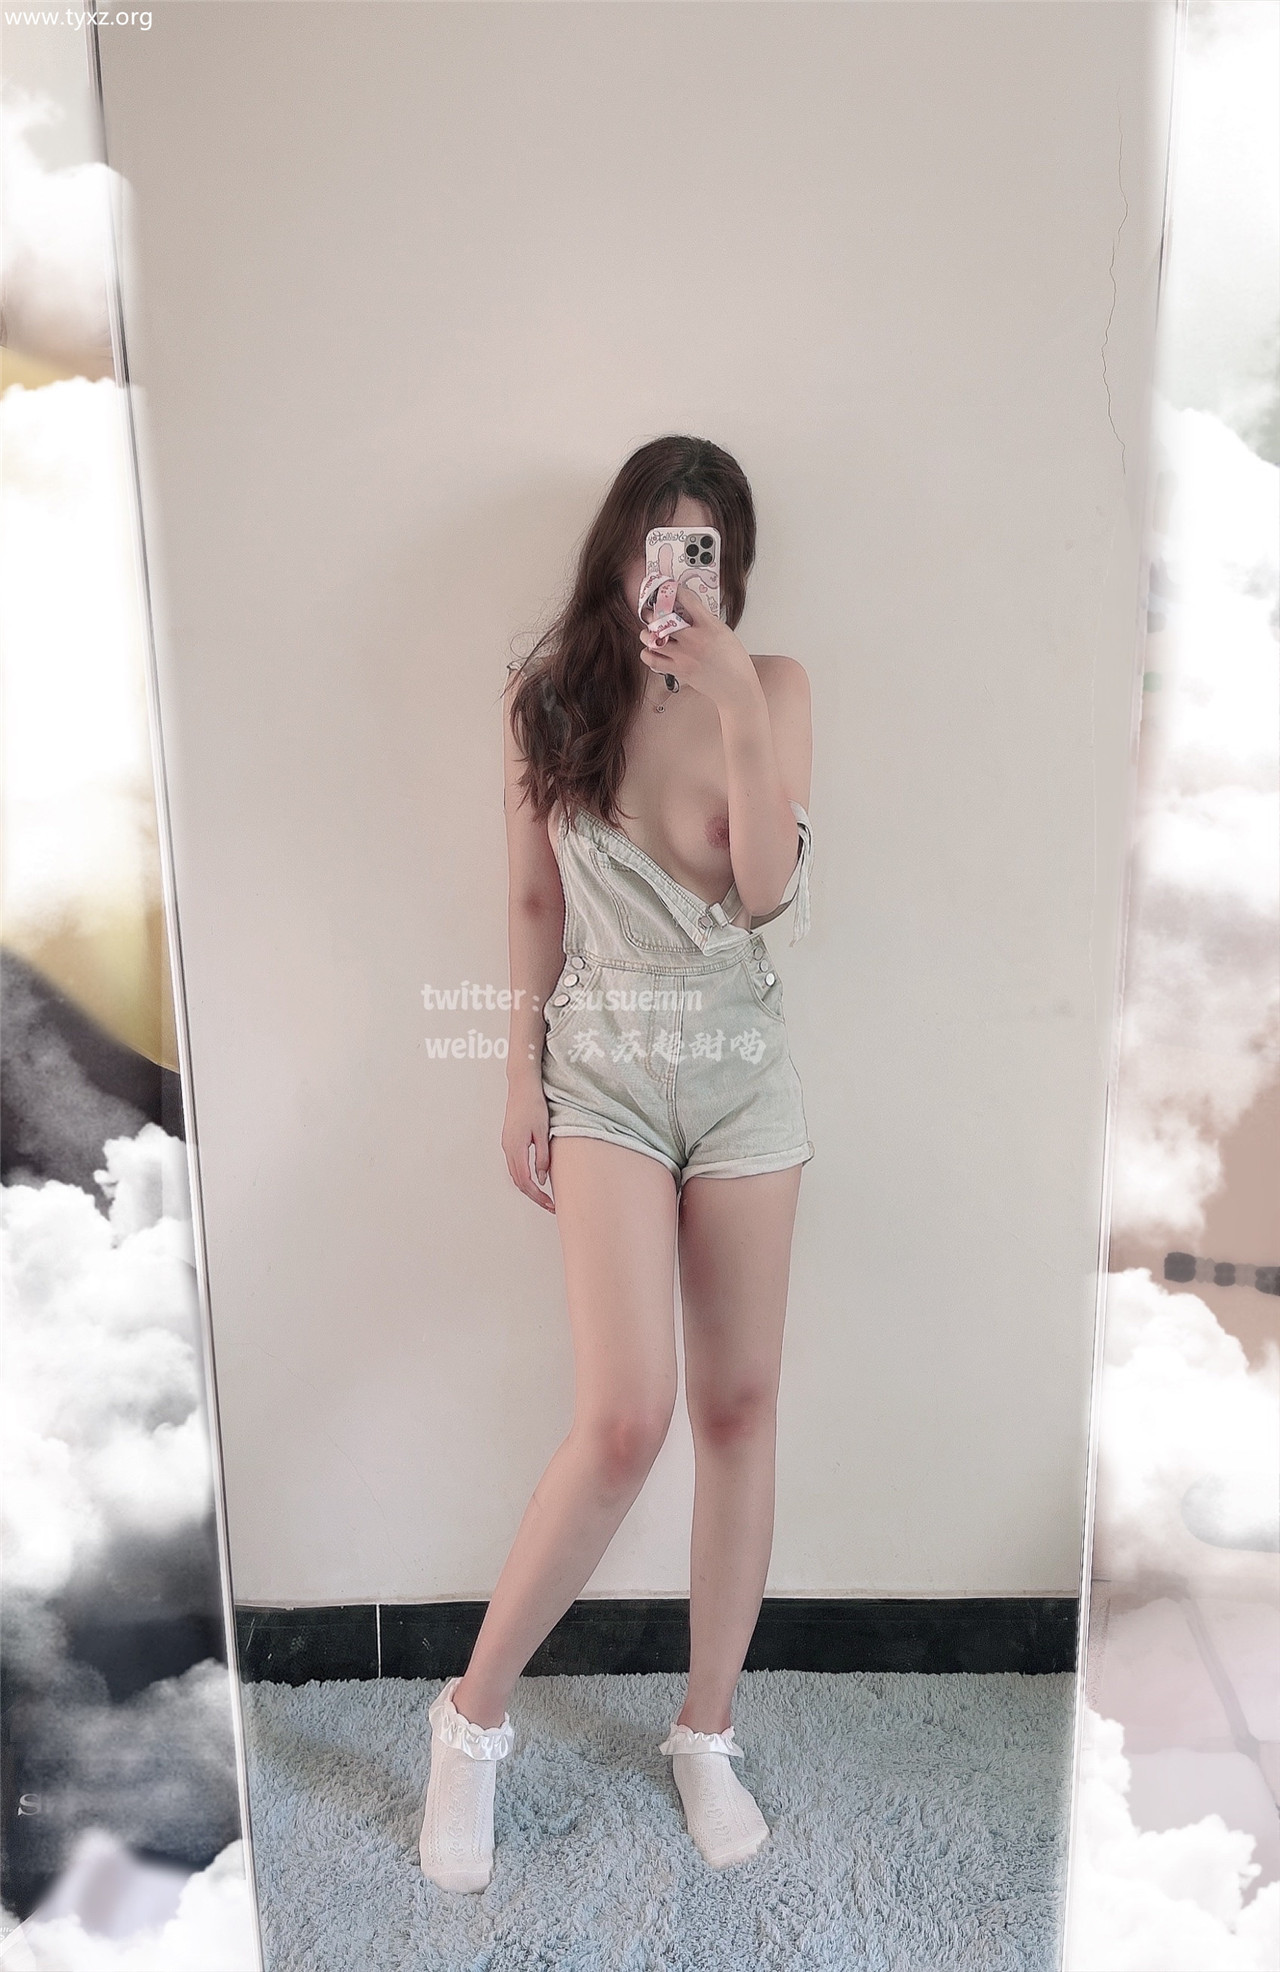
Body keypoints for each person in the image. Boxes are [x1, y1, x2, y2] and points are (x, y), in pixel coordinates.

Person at [419, 435, 814, 1892]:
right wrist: (512, 1069)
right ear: (620, 552)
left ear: (731, 569)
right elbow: (535, 903)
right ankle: (470, 1724)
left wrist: (734, 702)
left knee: (741, 1404)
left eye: (704, 551)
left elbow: (766, 891)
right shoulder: (552, 697)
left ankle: (706, 1733)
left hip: (741, 1070)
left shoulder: (773, 689)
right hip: (604, 1071)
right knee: (626, 1417)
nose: (678, 575)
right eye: (660, 545)